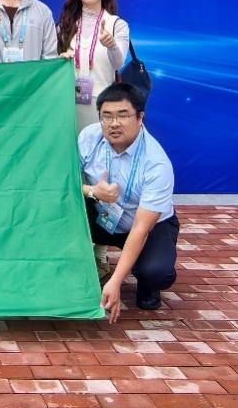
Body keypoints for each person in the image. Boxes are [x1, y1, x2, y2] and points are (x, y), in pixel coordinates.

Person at [79, 83, 178, 320]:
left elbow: (141, 228)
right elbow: (62, 182)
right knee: (62, 209)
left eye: (123, 115)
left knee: (157, 272)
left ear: (140, 117)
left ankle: (146, 282)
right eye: (107, 116)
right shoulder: (89, 137)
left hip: (145, 226)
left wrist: (115, 282)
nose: (114, 124)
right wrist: (92, 191)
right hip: (101, 214)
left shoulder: (156, 163)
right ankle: (75, 269)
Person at [56, 0, 131, 131]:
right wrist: (60, 60)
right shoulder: (65, 25)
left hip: (104, 104)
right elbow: (52, 65)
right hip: (68, 103)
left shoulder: (117, 25)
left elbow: (118, 64)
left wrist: (112, 45)